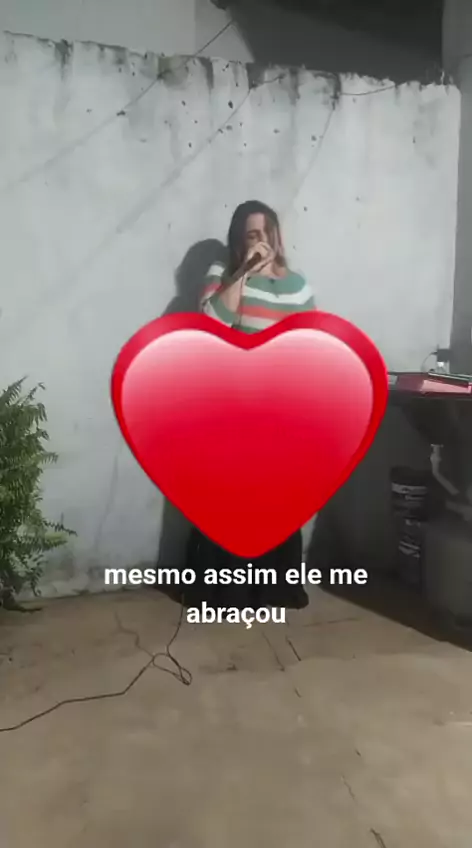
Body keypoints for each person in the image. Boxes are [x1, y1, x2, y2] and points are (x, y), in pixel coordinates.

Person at [185, 200, 315, 612]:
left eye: (265, 233)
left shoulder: (298, 285)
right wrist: (242, 273)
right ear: (239, 241)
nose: (260, 241)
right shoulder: (223, 274)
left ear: (276, 235)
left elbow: (310, 344)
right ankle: (227, 593)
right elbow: (210, 325)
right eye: (250, 235)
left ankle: (276, 590)